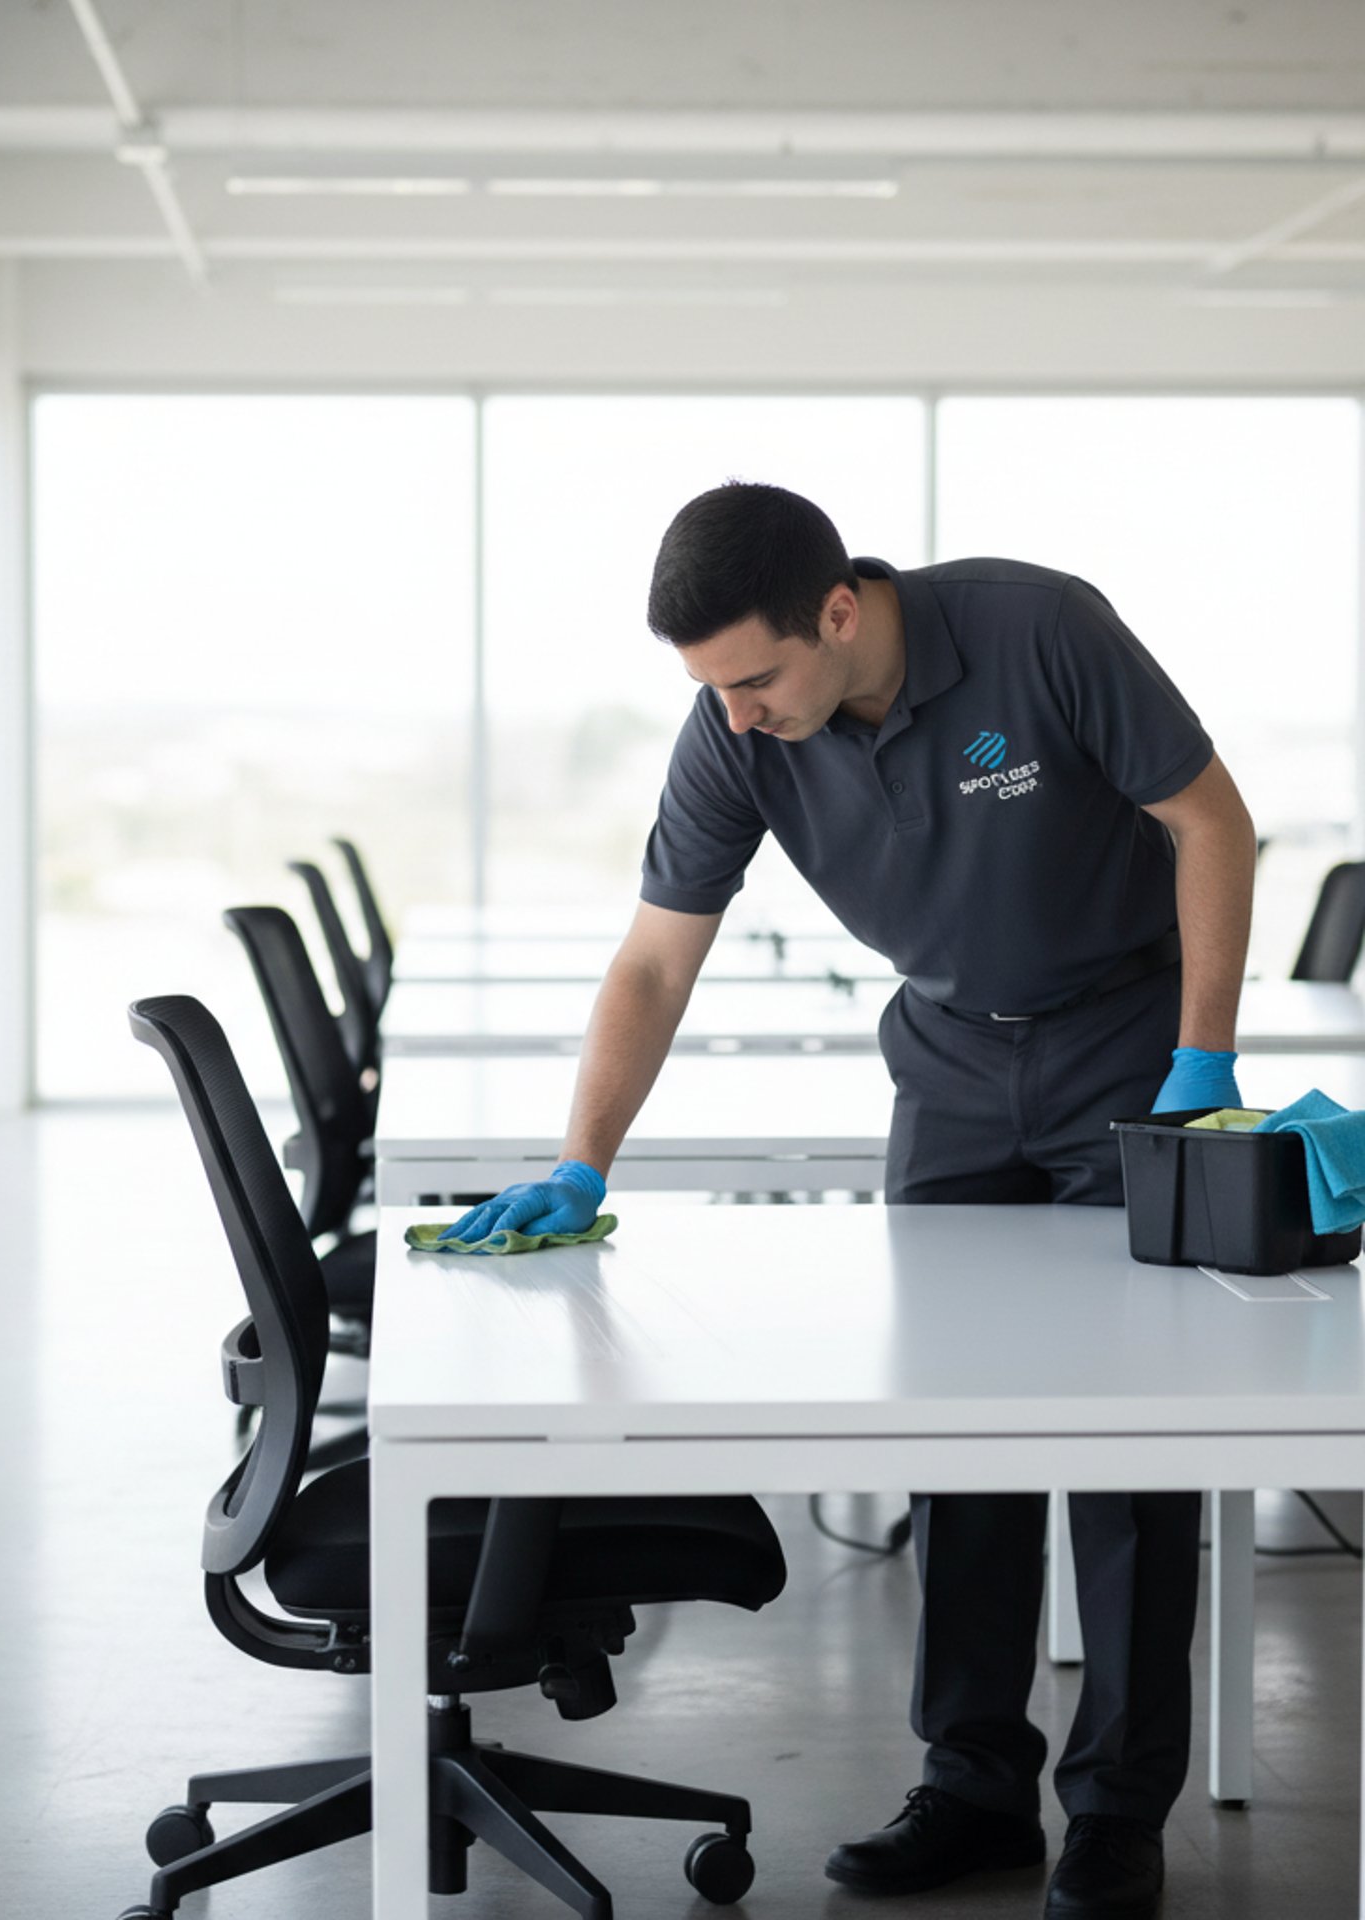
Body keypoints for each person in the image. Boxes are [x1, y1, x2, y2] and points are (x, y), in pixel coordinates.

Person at [439, 481, 1257, 1919]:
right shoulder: (736, 730)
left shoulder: (1039, 630)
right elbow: (655, 958)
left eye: (754, 679)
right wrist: (583, 1163)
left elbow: (1212, 823)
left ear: (837, 610)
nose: (736, 714)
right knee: (956, 1424)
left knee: (1135, 1438)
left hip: (1126, 1049)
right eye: (711, 689)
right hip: (948, 1063)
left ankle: (1117, 1811)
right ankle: (975, 1783)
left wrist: (1203, 1061)